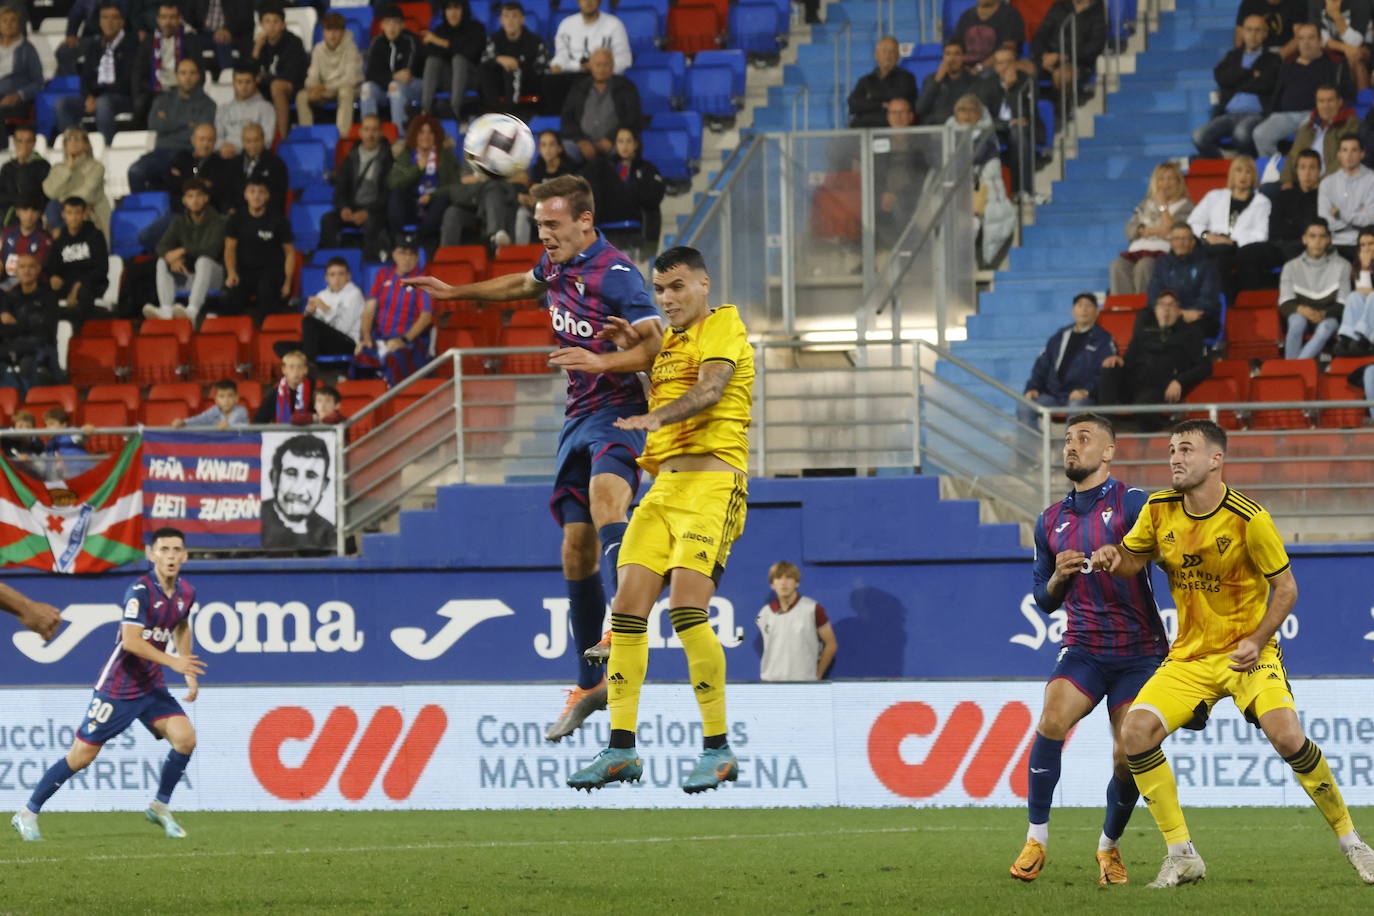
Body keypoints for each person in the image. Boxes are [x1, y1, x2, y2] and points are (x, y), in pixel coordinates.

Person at [400, 174, 662, 743]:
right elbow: (523, 282)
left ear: (585, 221)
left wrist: (604, 363)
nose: (542, 234)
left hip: (620, 411)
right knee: (574, 550)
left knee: (605, 499)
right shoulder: (558, 266)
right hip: (577, 418)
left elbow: (658, 345)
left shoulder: (616, 274)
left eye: (552, 224)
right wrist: (456, 293)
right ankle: (592, 682)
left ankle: (626, 618)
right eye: (539, 224)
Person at [1091, 419, 1374, 888]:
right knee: (1134, 734)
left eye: (1186, 450)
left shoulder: (1249, 518)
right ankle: (1182, 855)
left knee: (1286, 737)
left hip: (1249, 654)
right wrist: (1111, 557)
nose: (1175, 458)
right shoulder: (1159, 510)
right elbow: (1132, 559)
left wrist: (1259, 638)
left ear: (1215, 460)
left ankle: (1354, 843)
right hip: (1190, 657)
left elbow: (1286, 588)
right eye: (1171, 450)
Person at [562, 245, 751, 794]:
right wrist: (627, 349)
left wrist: (654, 415)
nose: (667, 298)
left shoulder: (724, 326)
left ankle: (717, 749)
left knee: (688, 609)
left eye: (677, 287)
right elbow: (661, 362)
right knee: (625, 609)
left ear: (703, 286)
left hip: (713, 483)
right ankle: (621, 750)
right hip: (664, 487)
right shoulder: (671, 346)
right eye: (660, 290)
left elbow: (712, 388)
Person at [1008, 413, 1167, 886]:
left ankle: (1109, 849)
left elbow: (1166, 548)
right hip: (1084, 646)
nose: (1071, 447)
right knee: (1051, 718)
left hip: (1140, 653)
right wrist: (1058, 576)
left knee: (1126, 755)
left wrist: (1128, 555)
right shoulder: (1049, 521)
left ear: (1109, 452)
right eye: (1066, 440)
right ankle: (1036, 839)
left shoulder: (1132, 503)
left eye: (1083, 438)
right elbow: (1042, 597)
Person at [10, 527, 205, 843]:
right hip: (119, 687)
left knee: (185, 739)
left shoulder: (187, 593)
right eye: (164, 549)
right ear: (151, 554)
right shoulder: (140, 591)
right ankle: (27, 812)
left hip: (152, 687)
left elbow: (181, 625)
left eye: (177, 550)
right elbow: (130, 641)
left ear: (185, 555)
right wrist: (173, 663)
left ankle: (160, 805)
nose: (171, 555)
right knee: (81, 757)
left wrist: (188, 671)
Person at [1097, 290, 1212, 431]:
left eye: (1171, 305)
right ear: (1156, 310)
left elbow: (1204, 366)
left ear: (1179, 310)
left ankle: (1155, 436)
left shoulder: (1190, 333)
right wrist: (1117, 359)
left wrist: (1179, 381)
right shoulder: (1144, 331)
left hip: (1161, 386)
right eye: (1162, 305)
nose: (1166, 309)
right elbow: (1128, 359)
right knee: (1109, 368)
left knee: (1143, 405)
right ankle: (1104, 426)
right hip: (1134, 382)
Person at [1253, 22, 1356, 157]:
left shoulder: (1335, 66)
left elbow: (1348, 95)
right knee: (1260, 134)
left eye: (1311, 38)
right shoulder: (1287, 66)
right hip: (1286, 115)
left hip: (1315, 115)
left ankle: (1297, 170)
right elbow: (1277, 96)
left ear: (1320, 42)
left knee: (1305, 134)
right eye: (1301, 39)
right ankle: (1275, 169)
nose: (1306, 43)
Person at [1192, 14, 1281, 158]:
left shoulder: (1272, 59)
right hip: (1228, 114)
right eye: (1249, 30)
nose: (1253, 35)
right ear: (1242, 33)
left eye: (1258, 30)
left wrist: (1236, 82)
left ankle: (1248, 166)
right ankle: (1227, 158)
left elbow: (1266, 85)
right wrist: (1251, 75)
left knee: (1241, 134)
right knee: (1198, 136)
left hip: (1256, 115)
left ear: (1265, 34)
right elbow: (1221, 78)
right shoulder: (1232, 56)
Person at [1021, 293, 1115, 425]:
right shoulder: (1059, 336)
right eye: (1080, 306)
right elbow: (1042, 365)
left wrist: (1086, 390)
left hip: (1083, 396)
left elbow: (1106, 374)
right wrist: (1032, 388)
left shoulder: (1103, 339)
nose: (1083, 310)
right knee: (1025, 406)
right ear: (1073, 311)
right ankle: (1030, 446)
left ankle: (1073, 446)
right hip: (1054, 394)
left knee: (1077, 409)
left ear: (1097, 312)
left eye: (1088, 306)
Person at [1187, 154, 1271, 302]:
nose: (1243, 175)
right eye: (1238, 170)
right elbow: (1194, 222)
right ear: (1232, 174)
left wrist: (1231, 242)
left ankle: (1219, 303)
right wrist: (1207, 235)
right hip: (1210, 245)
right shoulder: (1214, 196)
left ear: (1254, 176)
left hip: (1239, 250)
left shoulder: (1262, 202)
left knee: (1220, 260)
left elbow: (1261, 234)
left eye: (1248, 171)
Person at [128, 58, 217, 193]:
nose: (188, 77)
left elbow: (199, 134)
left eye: (192, 73)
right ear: (176, 76)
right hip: (160, 152)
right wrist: (186, 123)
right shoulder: (163, 99)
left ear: (199, 76)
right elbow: (154, 124)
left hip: (188, 154)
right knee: (135, 172)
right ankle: (144, 212)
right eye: (183, 73)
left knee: (170, 179)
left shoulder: (208, 104)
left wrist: (168, 123)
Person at [1237, 147, 1322, 287]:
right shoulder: (1284, 195)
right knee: (1247, 253)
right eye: (1302, 167)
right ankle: (1255, 299)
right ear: (1296, 170)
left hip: (1309, 248)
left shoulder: (1324, 197)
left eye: (1312, 168)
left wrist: (1293, 228)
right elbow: (1274, 228)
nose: (1307, 172)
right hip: (1281, 246)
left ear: (1319, 171)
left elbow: (1318, 228)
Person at [356, 238, 434, 386]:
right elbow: (369, 310)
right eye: (403, 253)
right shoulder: (383, 274)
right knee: (360, 359)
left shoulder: (423, 279)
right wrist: (365, 337)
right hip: (380, 338)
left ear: (417, 257)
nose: (407, 258)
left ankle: (394, 403)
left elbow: (426, 316)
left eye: (412, 254)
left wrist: (403, 340)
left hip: (410, 341)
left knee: (393, 359)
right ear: (394, 255)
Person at [147, 178, 226, 321]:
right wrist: (172, 259)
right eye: (190, 196)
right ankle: (165, 308)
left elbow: (211, 250)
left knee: (203, 261)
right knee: (162, 261)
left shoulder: (218, 221)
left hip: (214, 276)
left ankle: (192, 310)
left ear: (206, 198)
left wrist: (183, 250)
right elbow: (161, 246)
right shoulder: (179, 220)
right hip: (189, 274)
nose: (195, 200)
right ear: (184, 200)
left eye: (198, 195)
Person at [1109, 162, 1194, 296]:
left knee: (1145, 265)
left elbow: (1173, 232)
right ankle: (1123, 308)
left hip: (1164, 254)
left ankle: (1145, 307)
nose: (1165, 184)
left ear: (1178, 182)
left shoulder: (1186, 206)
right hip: (1137, 251)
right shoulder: (1145, 204)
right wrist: (1150, 231)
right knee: (1117, 265)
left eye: (1170, 179)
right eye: (1161, 179)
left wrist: (1162, 206)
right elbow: (1130, 229)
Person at [57, 4, 136, 144]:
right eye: (105, 18)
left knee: (103, 103)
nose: (109, 22)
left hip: (123, 98)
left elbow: (128, 81)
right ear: (99, 21)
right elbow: (85, 77)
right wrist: (88, 97)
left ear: (122, 22)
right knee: (63, 104)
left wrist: (97, 96)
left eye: (114, 18)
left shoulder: (132, 44)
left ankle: (106, 147)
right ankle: (72, 146)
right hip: (95, 97)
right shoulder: (94, 45)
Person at [584, 127, 664, 258]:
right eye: (620, 141)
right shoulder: (602, 168)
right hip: (607, 232)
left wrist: (633, 189)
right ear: (615, 145)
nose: (624, 146)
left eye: (628, 141)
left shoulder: (647, 169)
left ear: (636, 144)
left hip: (637, 233)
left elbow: (654, 198)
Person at [222, 179, 294, 323]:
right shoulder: (236, 219)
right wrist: (231, 273)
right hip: (244, 271)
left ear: (267, 196)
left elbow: (290, 253)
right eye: (252, 191)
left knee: (266, 292)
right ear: (245, 195)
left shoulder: (279, 220)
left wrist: (287, 282)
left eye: (261, 192)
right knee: (229, 297)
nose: (256, 196)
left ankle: (263, 332)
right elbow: (230, 249)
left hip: (271, 271)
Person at [275, 257, 365, 367]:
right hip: (323, 345)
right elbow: (311, 330)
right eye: (332, 275)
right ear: (326, 278)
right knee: (279, 346)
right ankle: (305, 364)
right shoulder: (322, 295)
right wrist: (310, 313)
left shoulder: (354, 294)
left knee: (309, 322)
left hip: (347, 343)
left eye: (341, 274)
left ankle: (307, 365)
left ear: (348, 276)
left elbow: (343, 328)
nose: (336, 279)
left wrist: (325, 309)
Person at [385, 114, 460, 246]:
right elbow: (393, 182)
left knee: (442, 198)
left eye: (430, 132)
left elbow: (454, 185)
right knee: (396, 195)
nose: (426, 136)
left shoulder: (445, 155)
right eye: (421, 132)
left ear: (436, 135)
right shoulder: (406, 155)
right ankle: (400, 238)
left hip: (435, 204)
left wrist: (431, 195)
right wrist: (417, 169)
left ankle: (419, 238)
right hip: (412, 203)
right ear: (415, 135)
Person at [756, 561, 838, 682]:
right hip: (771, 682)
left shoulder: (812, 608)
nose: (783, 583)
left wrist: (817, 675)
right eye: (778, 578)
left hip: (804, 682)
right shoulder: (764, 613)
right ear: (772, 584)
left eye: (789, 578)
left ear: (797, 583)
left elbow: (831, 644)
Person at [323, 114, 393, 254]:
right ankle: (330, 263)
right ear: (360, 132)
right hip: (352, 207)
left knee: (373, 224)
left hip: (376, 210)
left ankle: (368, 263)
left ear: (381, 132)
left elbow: (387, 194)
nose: (370, 134)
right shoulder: (352, 156)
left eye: (374, 130)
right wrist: (344, 208)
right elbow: (341, 187)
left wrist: (368, 212)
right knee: (328, 220)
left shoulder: (388, 159)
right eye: (366, 129)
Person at [1279, 217, 1349, 358]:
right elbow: (1285, 303)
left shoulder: (1343, 265)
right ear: (1304, 239)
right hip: (1301, 314)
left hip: (1328, 316)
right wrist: (1302, 310)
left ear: (1329, 239)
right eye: (1312, 236)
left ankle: (1293, 370)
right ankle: (1295, 369)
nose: (1317, 241)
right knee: (1296, 322)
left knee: (1326, 327)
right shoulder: (1291, 267)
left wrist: (1322, 314)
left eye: (1322, 236)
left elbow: (1343, 304)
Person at [559, 48, 642, 164]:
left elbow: (632, 117)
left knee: (624, 145)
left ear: (612, 66)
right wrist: (581, 141)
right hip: (583, 142)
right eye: (598, 65)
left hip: (614, 142)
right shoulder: (578, 88)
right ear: (590, 66)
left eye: (605, 65)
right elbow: (567, 118)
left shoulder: (626, 87)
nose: (601, 69)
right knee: (569, 146)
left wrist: (611, 139)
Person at [260, 434, 336, 550]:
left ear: (324, 486)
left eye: (311, 476)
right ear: (274, 478)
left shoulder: (328, 531)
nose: (299, 489)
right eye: (291, 473)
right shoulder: (252, 521)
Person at [132, 2, 203, 124]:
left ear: (179, 19)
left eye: (172, 17)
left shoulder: (191, 41)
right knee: (140, 104)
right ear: (158, 20)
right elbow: (138, 73)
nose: (168, 22)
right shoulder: (148, 42)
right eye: (164, 17)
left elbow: (200, 73)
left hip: (182, 89)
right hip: (154, 91)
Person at [1147, 226, 1224, 337]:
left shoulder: (1207, 265)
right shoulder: (1162, 264)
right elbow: (1153, 296)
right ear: (1171, 242)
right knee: (1143, 318)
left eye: (1185, 239)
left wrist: (1183, 314)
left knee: (1186, 329)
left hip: (1198, 316)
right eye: (1176, 239)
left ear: (1193, 242)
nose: (1180, 243)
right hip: (1167, 314)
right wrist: (1175, 313)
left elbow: (1208, 300)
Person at [0, 253, 61, 392]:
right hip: (13, 346)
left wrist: (15, 325)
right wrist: (23, 326)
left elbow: (45, 330)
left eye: (31, 267)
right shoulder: (9, 296)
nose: (26, 271)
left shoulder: (49, 296)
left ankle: (29, 402)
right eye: (22, 267)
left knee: (27, 364)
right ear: (16, 271)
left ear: (38, 270)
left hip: (41, 347)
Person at [1277, 84, 1357, 188]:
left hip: (1330, 183)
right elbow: (1293, 155)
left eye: (1330, 101)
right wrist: (1287, 180)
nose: (1325, 106)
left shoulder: (1350, 124)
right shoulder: (1308, 127)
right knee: (1269, 189)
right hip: (1302, 181)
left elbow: (1343, 160)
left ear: (1339, 102)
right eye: (1321, 101)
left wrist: (1322, 183)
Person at [297, 12, 364, 135]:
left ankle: (342, 135)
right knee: (302, 96)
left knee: (345, 91)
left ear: (343, 32)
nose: (332, 34)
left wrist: (324, 87)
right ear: (323, 32)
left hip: (351, 88)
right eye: (329, 30)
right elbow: (312, 75)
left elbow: (351, 79)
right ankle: (306, 135)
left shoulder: (351, 48)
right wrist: (312, 89)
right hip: (325, 90)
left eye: (336, 30)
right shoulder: (318, 49)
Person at [41, 128, 111, 242]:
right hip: (62, 212)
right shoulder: (58, 168)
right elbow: (50, 192)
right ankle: (61, 242)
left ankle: (64, 240)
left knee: (68, 209)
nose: (73, 142)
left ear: (86, 144)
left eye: (78, 139)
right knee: (53, 206)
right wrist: (68, 169)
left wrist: (63, 199)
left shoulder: (96, 167)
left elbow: (86, 194)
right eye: (69, 139)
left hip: (89, 212)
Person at [47, 196, 110, 322]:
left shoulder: (95, 235)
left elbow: (101, 268)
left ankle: (82, 333)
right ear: (63, 215)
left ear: (84, 214)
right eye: (70, 213)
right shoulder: (60, 238)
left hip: (92, 284)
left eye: (77, 213)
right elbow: (53, 266)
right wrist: (53, 276)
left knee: (83, 294)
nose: (74, 217)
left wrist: (79, 285)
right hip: (67, 283)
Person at [477, 1, 548, 112]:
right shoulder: (494, 39)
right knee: (485, 68)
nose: (510, 21)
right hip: (500, 85)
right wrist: (498, 59)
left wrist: (518, 65)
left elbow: (542, 69)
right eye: (506, 16)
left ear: (522, 20)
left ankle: (509, 110)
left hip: (527, 84)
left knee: (512, 69)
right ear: (501, 20)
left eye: (514, 16)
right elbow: (484, 60)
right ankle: (493, 109)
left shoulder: (535, 42)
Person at [251, 5, 308, 143]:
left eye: (275, 21)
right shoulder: (259, 44)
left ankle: (283, 138)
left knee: (277, 86)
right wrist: (257, 48)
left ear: (283, 25)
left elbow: (290, 75)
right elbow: (248, 73)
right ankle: (252, 138)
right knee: (246, 85)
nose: (271, 26)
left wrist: (264, 79)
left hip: (293, 87)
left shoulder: (294, 42)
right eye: (267, 21)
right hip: (268, 87)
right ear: (261, 24)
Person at [362, 5, 423, 133]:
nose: (391, 27)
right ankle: (369, 133)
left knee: (396, 86)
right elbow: (370, 74)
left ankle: (399, 135)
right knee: (366, 89)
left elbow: (406, 75)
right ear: (382, 25)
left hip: (414, 85)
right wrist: (392, 76)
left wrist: (390, 78)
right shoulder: (376, 43)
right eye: (388, 23)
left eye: (396, 23)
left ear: (402, 25)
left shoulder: (411, 40)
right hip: (386, 86)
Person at [421, 0, 485, 117]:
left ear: (463, 10)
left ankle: (455, 110)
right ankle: (425, 111)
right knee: (432, 60)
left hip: (470, 79)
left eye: (456, 8)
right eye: (449, 8)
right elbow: (433, 54)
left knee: (459, 59)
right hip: (447, 80)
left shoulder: (476, 28)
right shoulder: (440, 30)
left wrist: (440, 42)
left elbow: (470, 52)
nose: (452, 13)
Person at [1032, 0, 1107, 99]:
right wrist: (1044, 55)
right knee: (1017, 70)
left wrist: (1065, 57)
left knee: (1063, 75)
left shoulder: (1098, 12)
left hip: (1080, 64)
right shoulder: (1058, 7)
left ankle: (1064, 110)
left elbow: (1095, 47)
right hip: (1049, 60)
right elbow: (1039, 37)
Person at [917, 39, 995, 127]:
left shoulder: (975, 81)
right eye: (948, 54)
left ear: (964, 56)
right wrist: (937, 81)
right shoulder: (931, 79)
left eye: (957, 54)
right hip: (935, 131)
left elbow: (978, 110)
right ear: (943, 56)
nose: (952, 59)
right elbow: (920, 109)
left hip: (962, 129)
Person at [1317, 134, 1374, 253]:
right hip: (1333, 243)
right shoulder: (1327, 183)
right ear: (1338, 154)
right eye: (1344, 150)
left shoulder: (1372, 180)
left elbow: (1370, 219)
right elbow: (1325, 222)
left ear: (1362, 154)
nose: (1349, 155)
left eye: (1354, 150)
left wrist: (1339, 213)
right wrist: (1358, 217)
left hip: (1364, 245)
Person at [847, 36, 918, 128]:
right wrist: (882, 104)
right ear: (876, 55)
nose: (888, 55)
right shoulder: (865, 80)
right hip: (866, 128)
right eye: (884, 51)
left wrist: (870, 100)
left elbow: (897, 101)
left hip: (893, 128)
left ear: (898, 56)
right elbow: (853, 104)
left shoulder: (906, 78)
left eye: (892, 52)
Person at [550, 0, 631, 75]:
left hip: (606, 79)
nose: (588, 1)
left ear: (599, 1)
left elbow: (624, 59)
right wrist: (557, 64)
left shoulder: (614, 24)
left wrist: (600, 67)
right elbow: (561, 56)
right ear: (578, 1)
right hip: (572, 78)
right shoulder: (566, 24)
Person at [0, 8, 43, 147]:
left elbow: (38, 82)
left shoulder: (27, 50)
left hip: (17, 101)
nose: (9, 24)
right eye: (4, 21)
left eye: (13, 20)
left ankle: (2, 152)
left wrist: (19, 95)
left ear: (19, 24)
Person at [214, 65, 277, 158]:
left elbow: (267, 140)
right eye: (239, 82)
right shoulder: (223, 109)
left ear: (255, 82)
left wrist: (238, 149)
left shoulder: (266, 108)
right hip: (226, 157)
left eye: (248, 82)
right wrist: (222, 147)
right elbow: (216, 138)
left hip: (254, 157)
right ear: (233, 83)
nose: (243, 86)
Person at [228, 123, 289, 217]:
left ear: (263, 140)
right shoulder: (234, 163)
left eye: (256, 140)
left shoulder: (276, 164)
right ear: (243, 142)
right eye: (248, 141)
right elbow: (228, 192)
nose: (253, 145)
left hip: (266, 216)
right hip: (238, 216)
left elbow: (278, 196)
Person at [184, 0, 255, 77]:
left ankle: (228, 76)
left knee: (222, 40)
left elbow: (245, 20)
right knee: (191, 41)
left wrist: (229, 30)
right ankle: (196, 76)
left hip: (228, 33)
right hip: (203, 33)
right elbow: (189, 18)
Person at [951, 0, 1027, 69]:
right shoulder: (966, 16)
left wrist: (979, 68)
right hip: (966, 70)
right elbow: (956, 46)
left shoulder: (1010, 15)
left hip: (996, 70)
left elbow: (1007, 51)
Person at [1314, 0, 1371, 91]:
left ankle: (1364, 101)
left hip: (1360, 49)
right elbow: (1320, 37)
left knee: (1356, 55)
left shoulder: (1360, 2)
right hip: (1331, 49)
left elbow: (1356, 41)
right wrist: (1345, 48)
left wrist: (1336, 16)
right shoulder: (1316, 2)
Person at [0, 126, 50, 227]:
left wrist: (22, 166)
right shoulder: (7, 167)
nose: (24, 145)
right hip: (6, 213)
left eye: (28, 141)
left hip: (32, 215)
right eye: (20, 141)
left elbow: (36, 195)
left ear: (34, 143)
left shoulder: (43, 165)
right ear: (14, 142)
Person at [1334, 227, 1374, 354]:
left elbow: (1368, 291)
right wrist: (1365, 268)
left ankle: (1365, 339)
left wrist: (1366, 267)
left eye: (1371, 244)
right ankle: (1348, 337)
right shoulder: (1358, 266)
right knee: (1354, 296)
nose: (1366, 248)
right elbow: (1362, 291)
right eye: (1363, 245)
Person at [0, 198, 52, 290]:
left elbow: (33, 271)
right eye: (25, 210)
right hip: (6, 283)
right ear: (17, 212)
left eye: (34, 211)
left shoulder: (45, 238)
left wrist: (4, 287)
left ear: (39, 214)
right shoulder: (7, 233)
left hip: (31, 287)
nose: (29, 215)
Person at [255, 350, 316, 425]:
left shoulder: (313, 392)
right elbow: (259, 421)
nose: (296, 371)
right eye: (291, 367)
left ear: (305, 370)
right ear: (284, 369)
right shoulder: (274, 393)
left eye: (299, 367)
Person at [1235, 0, 1307, 54]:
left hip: (1287, 53)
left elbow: (1298, 37)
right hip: (1256, 53)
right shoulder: (1249, 3)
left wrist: (1278, 58)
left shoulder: (1297, 3)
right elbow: (1239, 38)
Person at [175, 378, 248, 428]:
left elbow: (233, 423)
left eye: (230, 396)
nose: (226, 400)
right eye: (222, 396)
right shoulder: (214, 410)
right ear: (216, 400)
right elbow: (200, 419)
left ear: (236, 398)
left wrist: (229, 426)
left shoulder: (241, 411)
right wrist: (184, 422)